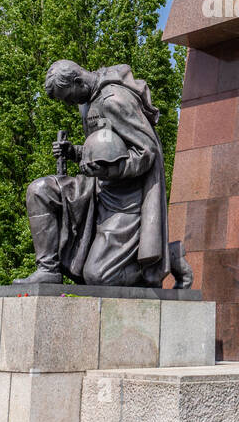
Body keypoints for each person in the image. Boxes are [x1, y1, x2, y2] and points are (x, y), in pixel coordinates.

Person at [23, 61, 191, 288]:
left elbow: (146, 152)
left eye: (68, 97)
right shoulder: (87, 100)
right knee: (40, 190)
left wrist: (110, 170)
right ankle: (47, 269)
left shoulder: (114, 101)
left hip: (126, 198)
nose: (69, 103)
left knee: (98, 277)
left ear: (78, 81)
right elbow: (106, 148)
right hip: (97, 185)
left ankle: (165, 258)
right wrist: (75, 152)